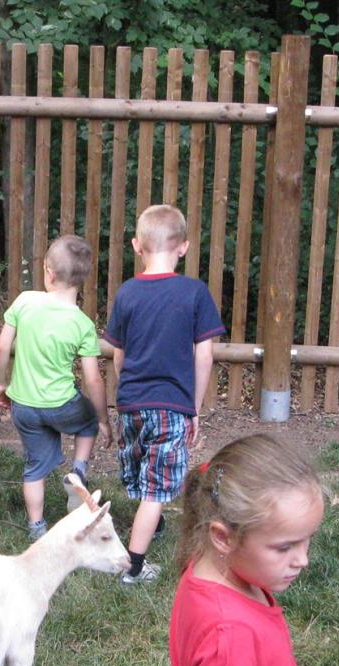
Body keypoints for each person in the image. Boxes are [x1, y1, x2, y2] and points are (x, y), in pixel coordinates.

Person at [169, 434, 339, 666]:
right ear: (223, 537)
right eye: (284, 547)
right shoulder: (229, 633)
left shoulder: (224, 572)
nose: (303, 560)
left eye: (307, 539)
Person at [104, 204, 225, 586]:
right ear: (183, 247)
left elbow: (118, 354)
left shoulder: (127, 292)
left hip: (131, 404)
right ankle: (133, 568)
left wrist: (129, 389)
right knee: (156, 489)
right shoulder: (194, 292)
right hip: (171, 406)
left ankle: (150, 524)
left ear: (136, 245)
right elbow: (204, 355)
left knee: (142, 473)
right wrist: (193, 407)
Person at [0, 235, 111, 539]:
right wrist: (102, 419)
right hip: (62, 405)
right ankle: (78, 472)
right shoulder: (82, 324)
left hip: (24, 406)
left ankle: (36, 527)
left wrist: (0, 384)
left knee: (34, 467)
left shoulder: (25, 301)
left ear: (49, 272)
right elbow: (93, 379)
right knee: (87, 421)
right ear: (82, 279)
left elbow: (2, 347)